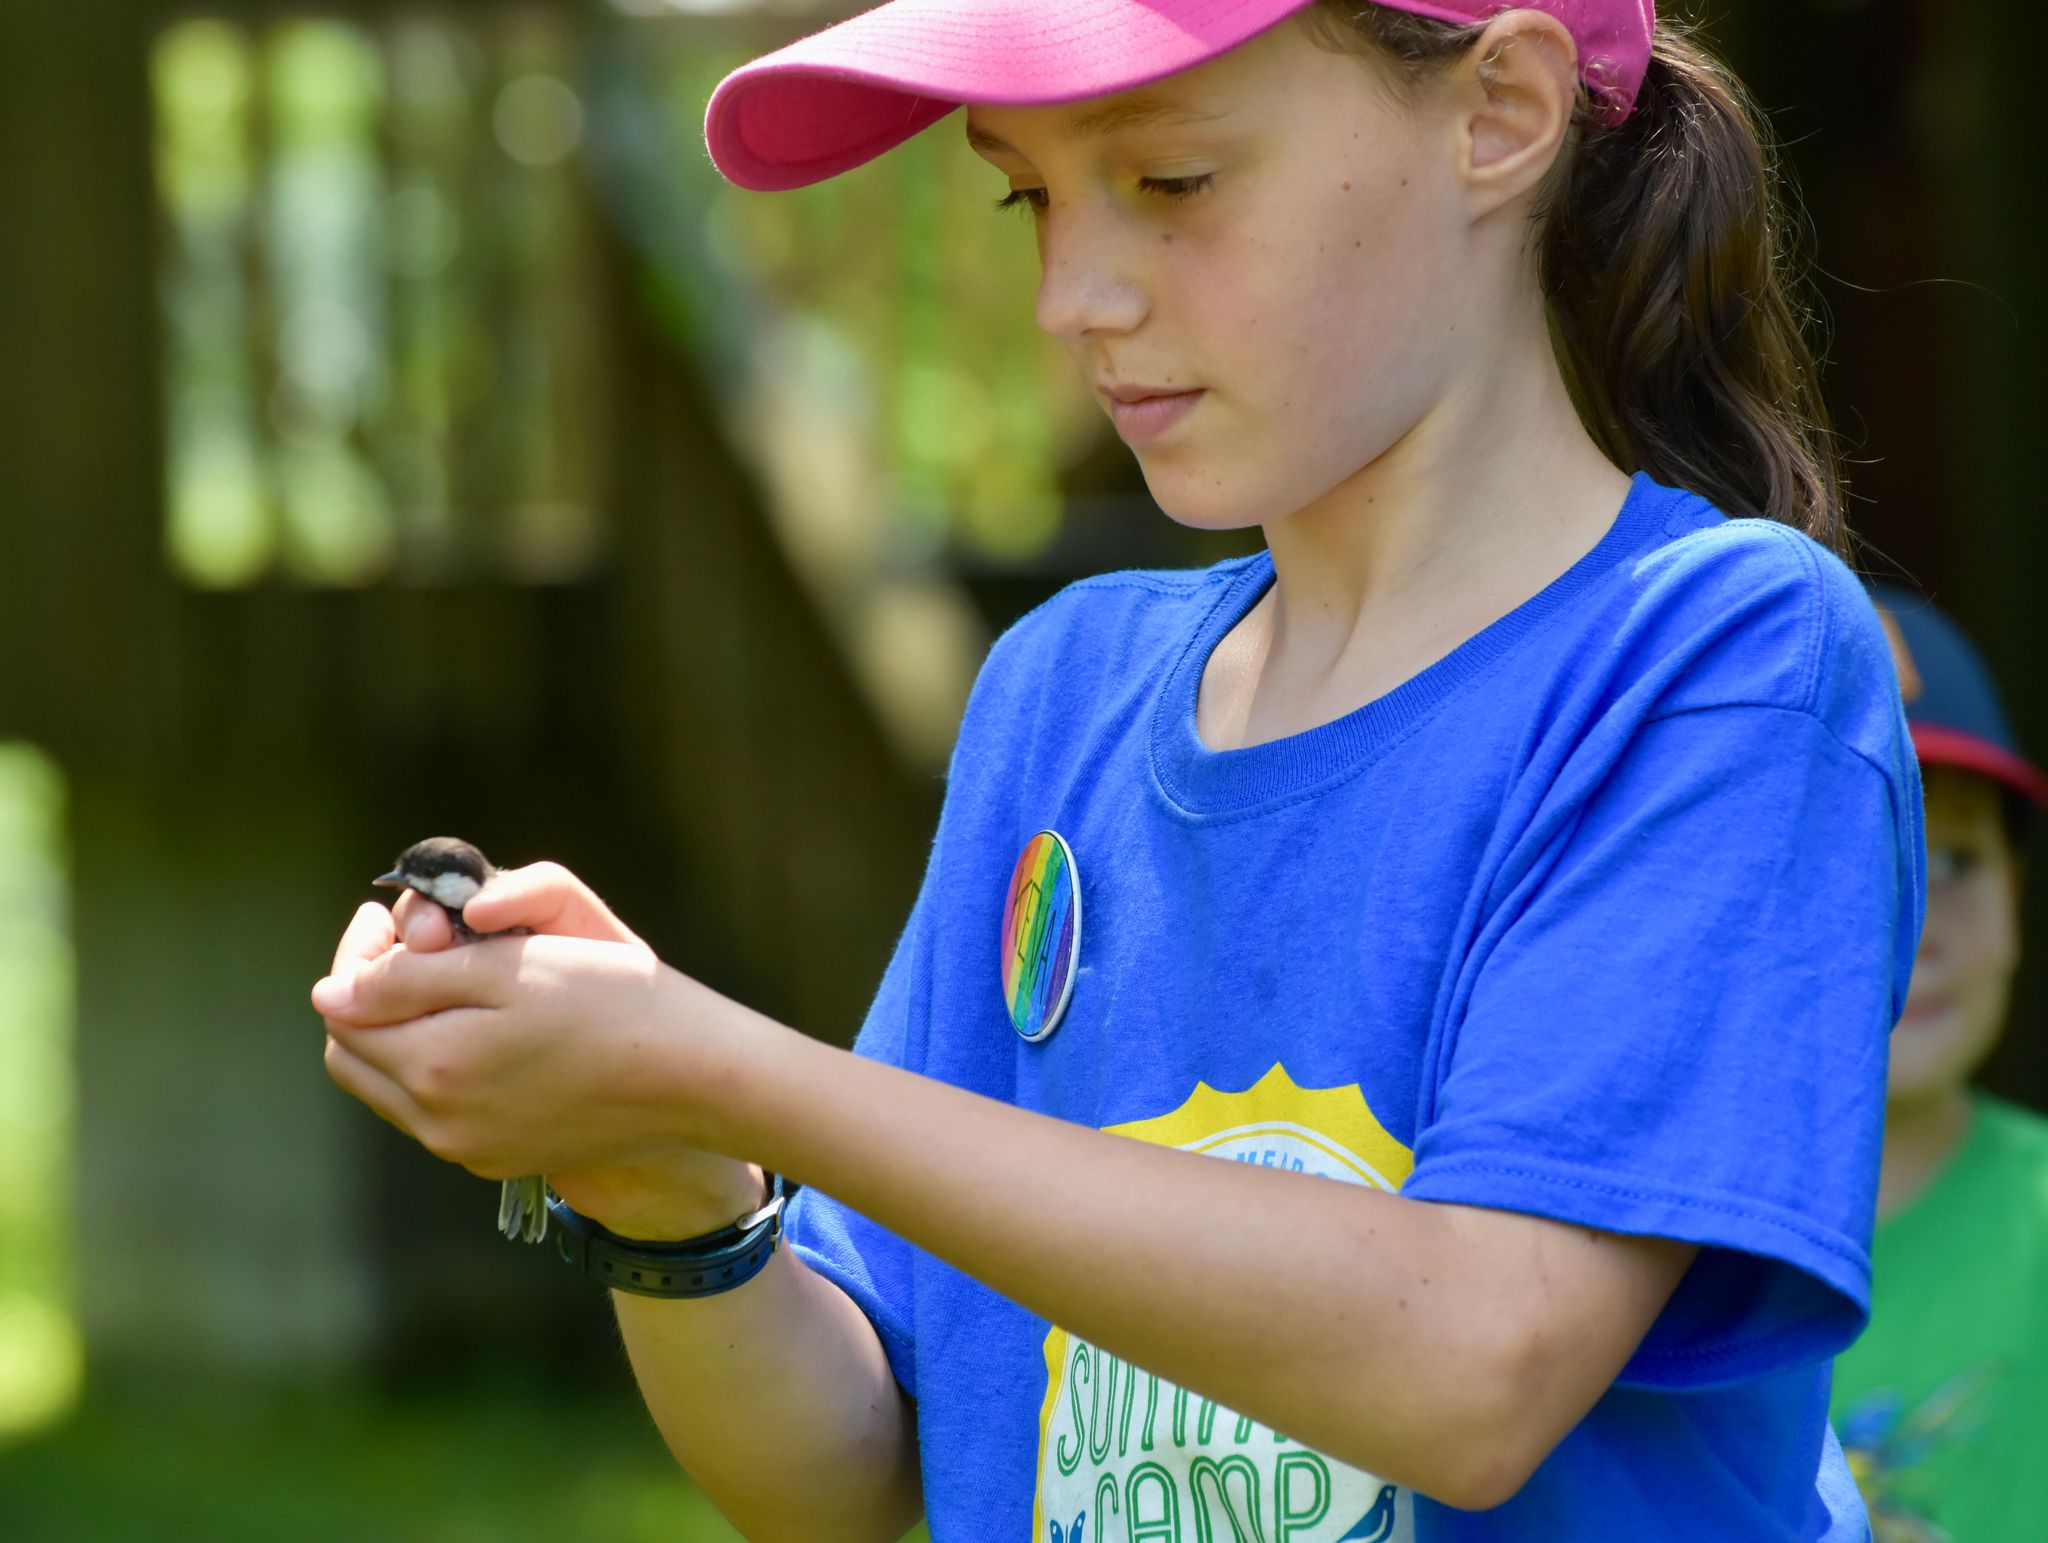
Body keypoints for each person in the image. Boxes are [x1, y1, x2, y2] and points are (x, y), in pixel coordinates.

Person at [311, 2, 1925, 1537]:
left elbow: (1474, 1366)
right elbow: (841, 1471)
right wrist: (668, 1182)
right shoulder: (1064, 689)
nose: (1070, 296)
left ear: (1494, 113)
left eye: (1171, 181)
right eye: (1027, 197)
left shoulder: (1717, 656)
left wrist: (721, 1063)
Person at [1830, 588, 2048, 1543]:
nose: (1916, 931)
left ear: (2015, 890)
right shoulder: (1645, 1247)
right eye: (1856, 866)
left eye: (1953, 860)